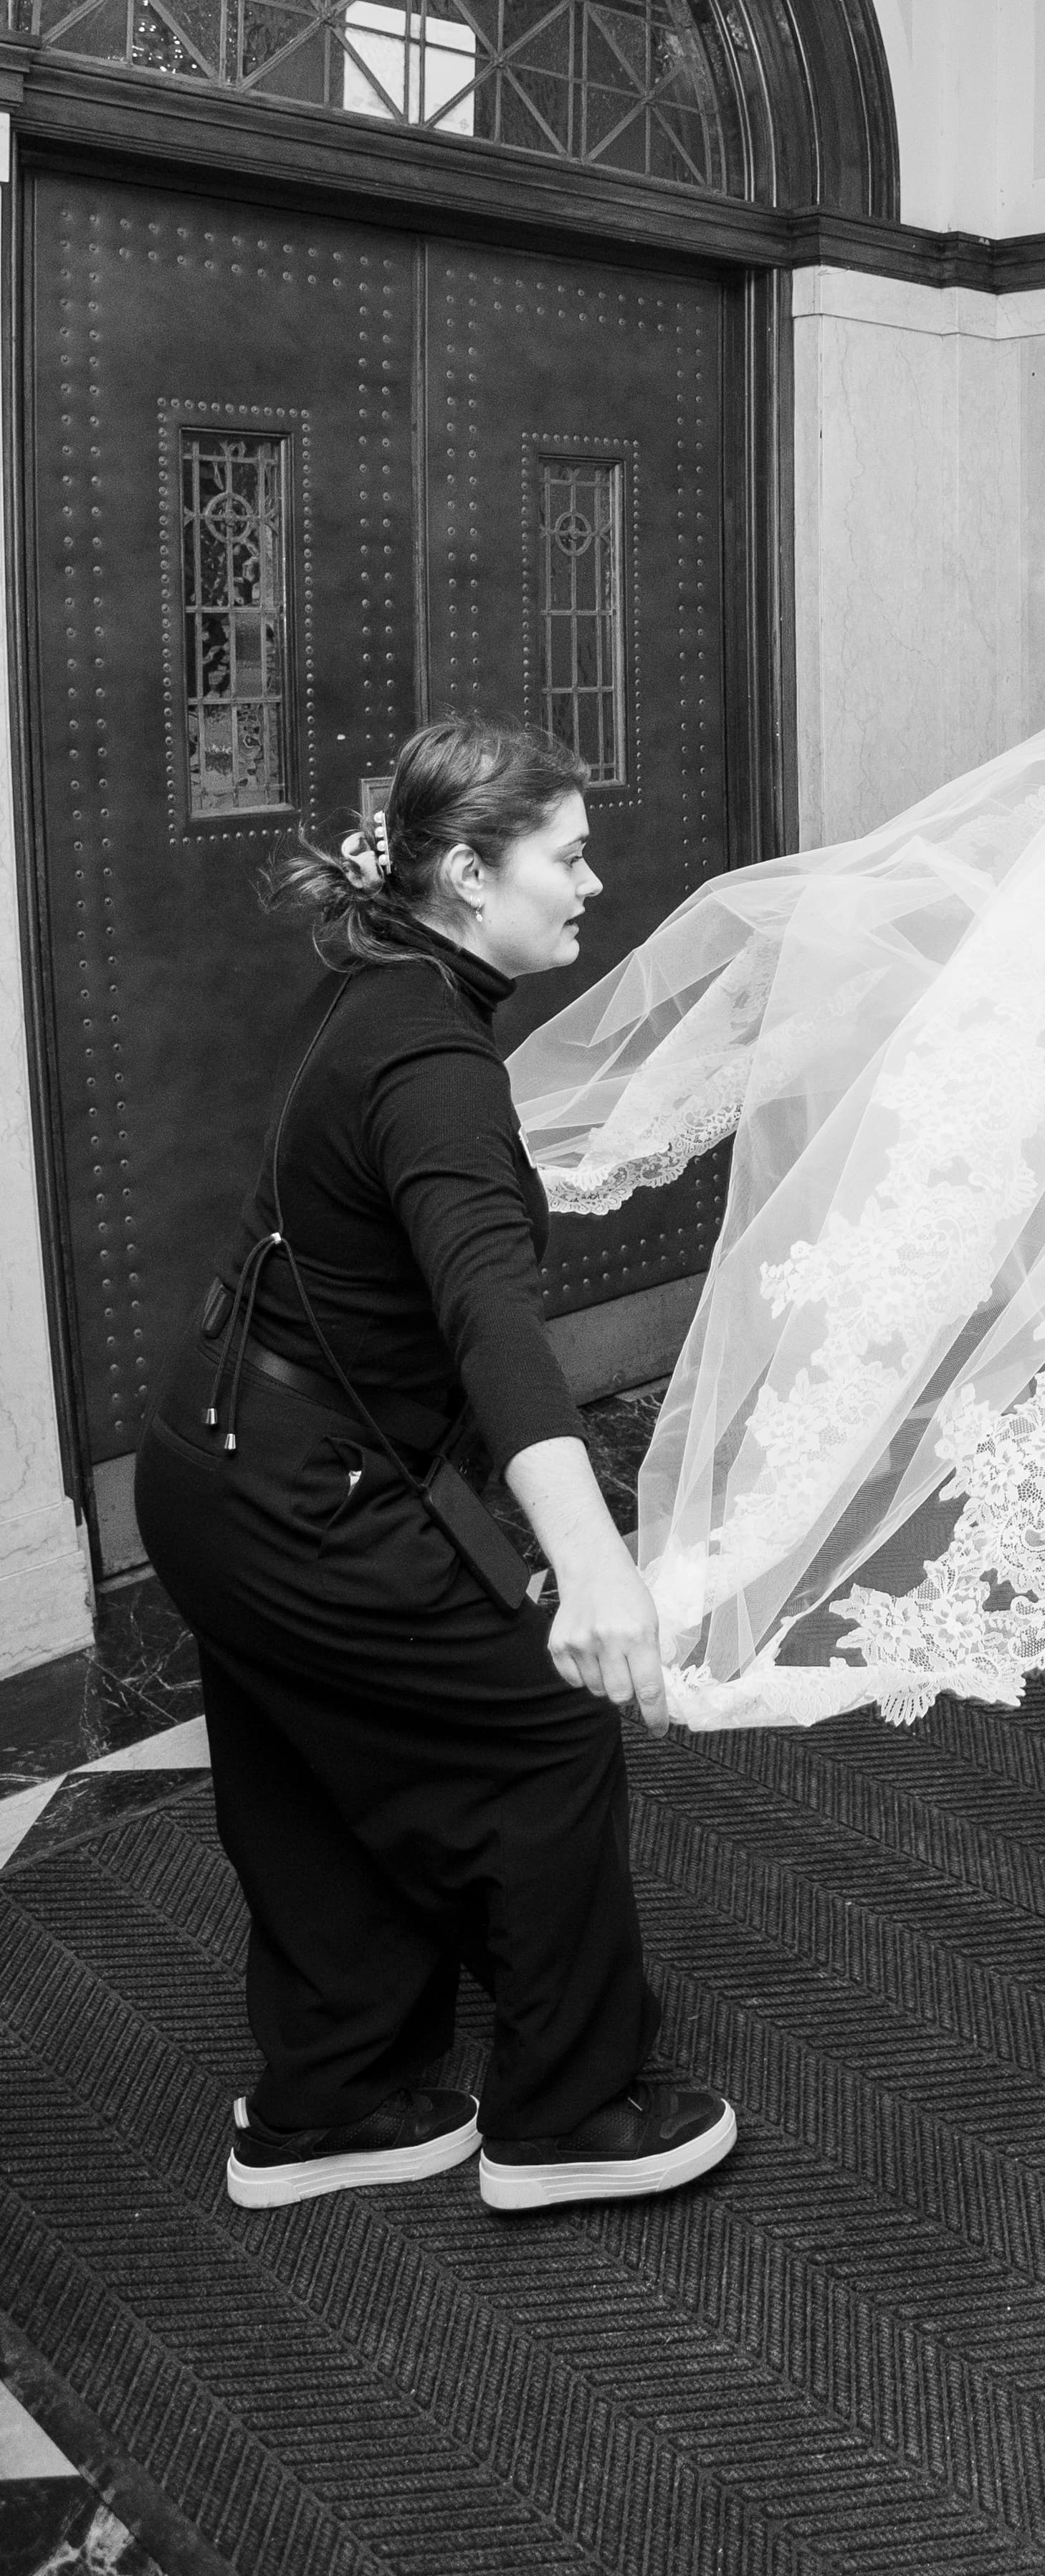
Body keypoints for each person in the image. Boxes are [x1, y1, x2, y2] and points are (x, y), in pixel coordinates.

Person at [136, 714, 737, 2213]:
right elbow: (489, 1316)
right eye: (568, 854)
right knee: (544, 1733)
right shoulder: (434, 1058)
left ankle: (334, 2097)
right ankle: (570, 2113)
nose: (593, 883)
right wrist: (590, 1559)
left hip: (207, 1473)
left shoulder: (383, 987)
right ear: (467, 872)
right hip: (297, 1492)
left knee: (304, 1772)